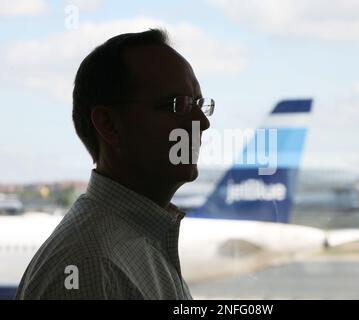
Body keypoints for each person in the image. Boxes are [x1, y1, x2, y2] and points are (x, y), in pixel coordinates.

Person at [15, 28, 213, 299]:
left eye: (199, 104)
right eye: (177, 105)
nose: (202, 122)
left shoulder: (139, 243)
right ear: (109, 126)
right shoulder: (92, 268)